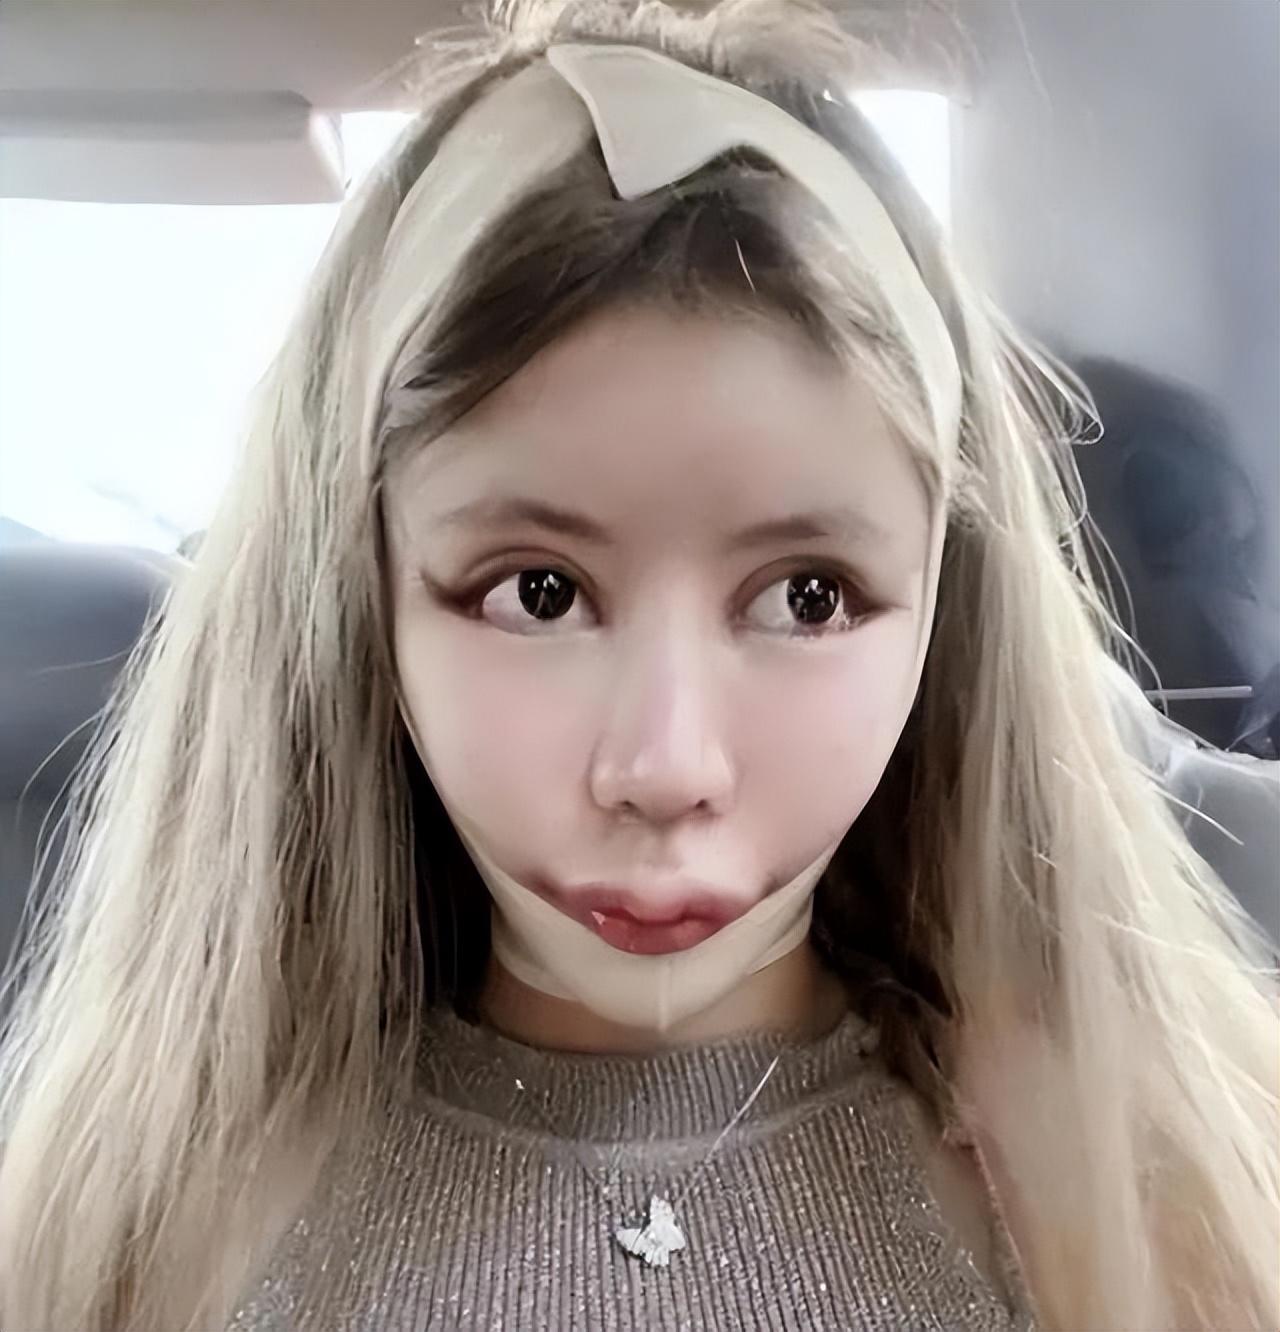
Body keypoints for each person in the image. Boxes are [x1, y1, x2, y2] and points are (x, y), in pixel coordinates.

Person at [0, 2, 1275, 1328]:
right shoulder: (144, 1228)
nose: (666, 769)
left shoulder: (1159, 1207)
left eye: (809, 598)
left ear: (945, 614)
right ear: (362, 605)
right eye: (538, 594)